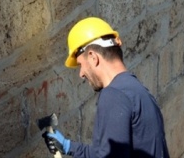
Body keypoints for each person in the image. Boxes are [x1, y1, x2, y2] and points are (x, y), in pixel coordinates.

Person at [43, 17, 170, 158]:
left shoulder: (114, 96)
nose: (81, 74)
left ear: (92, 57)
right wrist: (69, 146)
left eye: (80, 65)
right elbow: (108, 153)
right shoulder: (136, 90)